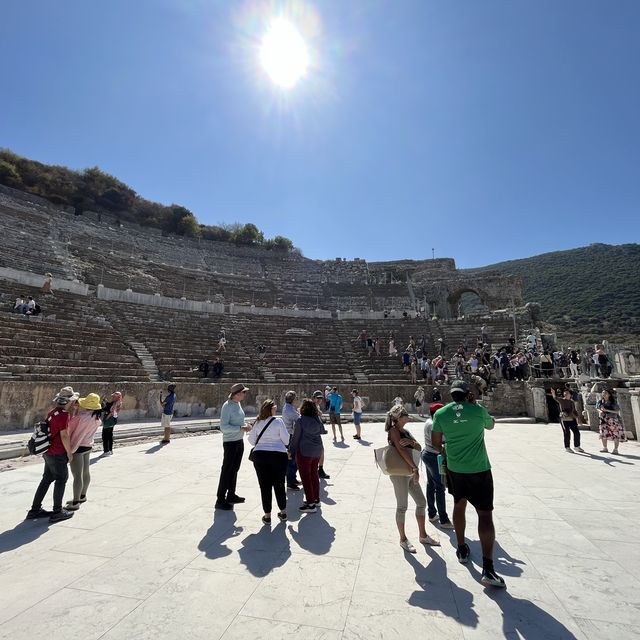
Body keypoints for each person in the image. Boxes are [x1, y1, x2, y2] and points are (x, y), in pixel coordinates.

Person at [431, 379, 506, 588]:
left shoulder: (441, 414)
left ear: (451, 394)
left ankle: (462, 548)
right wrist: (473, 405)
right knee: (485, 515)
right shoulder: (477, 410)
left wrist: (450, 451)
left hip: (456, 469)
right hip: (479, 469)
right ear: (467, 394)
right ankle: (488, 568)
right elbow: (490, 425)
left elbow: (437, 444)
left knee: (459, 505)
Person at [385, 404, 440, 552]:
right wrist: (415, 468)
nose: (408, 417)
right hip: (399, 474)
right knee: (402, 506)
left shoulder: (405, 431)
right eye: (406, 415)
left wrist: (411, 442)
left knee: (421, 502)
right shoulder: (393, 431)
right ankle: (403, 539)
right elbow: (401, 450)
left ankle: (423, 535)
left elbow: (418, 446)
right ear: (399, 417)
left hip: (409, 472)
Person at [26, 386, 78, 523]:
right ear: (68, 401)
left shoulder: (52, 412)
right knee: (61, 479)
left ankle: (35, 510)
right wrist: (69, 452)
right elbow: (65, 435)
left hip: (48, 451)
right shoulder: (64, 415)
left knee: (46, 479)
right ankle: (57, 511)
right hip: (58, 452)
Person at [248, 399, 290, 524]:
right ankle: (283, 513)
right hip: (278, 456)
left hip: (261, 456)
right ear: (270, 409)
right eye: (274, 407)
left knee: (264, 486)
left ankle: (267, 516)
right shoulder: (278, 422)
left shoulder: (258, 422)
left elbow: (251, 441)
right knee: (279, 485)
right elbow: (286, 440)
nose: (276, 409)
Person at [215, 383, 252, 510]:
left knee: (234, 469)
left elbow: (238, 420)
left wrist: (246, 425)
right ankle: (220, 499)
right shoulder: (227, 406)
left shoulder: (237, 404)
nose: (245, 394)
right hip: (230, 443)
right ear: (236, 394)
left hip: (238, 441)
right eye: (243, 392)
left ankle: (231, 494)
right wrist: (241, 428)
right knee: (226, 470)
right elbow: (223, 427)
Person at [66, 393, 102, 510]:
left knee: (77, 475)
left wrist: (74, 411)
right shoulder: (96, 418)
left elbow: (69, 427)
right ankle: (82, 495)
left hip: (78, 447)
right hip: (87, 446)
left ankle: (75, 501)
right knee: (85, 472)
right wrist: (77, 410)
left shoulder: (80, 417)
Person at [422, 402, 453, 529]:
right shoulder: (434, 424)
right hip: (435, 457)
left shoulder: (429, 421)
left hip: (427, 454)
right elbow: (442, 441)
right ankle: (444, 520)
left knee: (431, 484)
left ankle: (432, 513)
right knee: (440, 487)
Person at [290, 399, 325, 513]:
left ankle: (310, 504)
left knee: (306, 477)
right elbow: (322, 431)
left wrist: (291, 451)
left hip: (304, 451)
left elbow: (296, 437)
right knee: (314, 475)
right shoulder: (317, 419)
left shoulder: (300, 420)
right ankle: (316, 499)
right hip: (317, 450)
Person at [550, 388, 584, 453]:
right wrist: (553, 393)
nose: (565, 394)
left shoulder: (572, 402)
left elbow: (574, 411)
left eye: (567, 393)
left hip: (572, 419)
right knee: (567, 433)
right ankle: (567, 447)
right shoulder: (562, 400)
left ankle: (577, 446)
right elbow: (555, 398)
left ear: (570, 395)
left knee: (577, 433)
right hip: (564, 419)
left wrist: (578, 419)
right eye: (565, 393)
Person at [282, 390, 302, 490]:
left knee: (293, 459)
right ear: (293, 400)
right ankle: (290, 482)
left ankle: (292, 479)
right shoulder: (289, 409)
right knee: (291, 459)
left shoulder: (288, 407)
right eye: (296, 398)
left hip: (289, 435)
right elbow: (298, 419)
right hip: (289, 436)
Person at [596, 389, 626, 454]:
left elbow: (617, 411)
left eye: (605, 393)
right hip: (603, 420)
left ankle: (615, 449)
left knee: (615, 434)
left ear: (609, 394)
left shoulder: (613, 402)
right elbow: (597, 408)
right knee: (604, 433)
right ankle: (605, 448)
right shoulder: (600, 401)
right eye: (603, 393)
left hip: (612, 419)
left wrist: (606, 410)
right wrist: (600, 411)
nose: (603, 394)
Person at [312, 390, 330, 479]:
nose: (319, 400)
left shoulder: (316, 406)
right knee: (319, 451)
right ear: (314, 398)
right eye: (318, 398)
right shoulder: (312, 406)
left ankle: (320, 469)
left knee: (320, 451)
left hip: (316, 432)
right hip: (312, 434)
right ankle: (319, 470)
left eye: (321, 398)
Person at [101, 391, 122, 455]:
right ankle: (110, 450)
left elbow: (112, 411)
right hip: (112, 421)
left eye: (114, 396)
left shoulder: (116, 403)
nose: (112, 397)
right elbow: (110, 406)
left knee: (105, 436)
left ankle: (106, 451)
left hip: (109, 420)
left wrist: (106, 419)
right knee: (110, 435)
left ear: (117, 397)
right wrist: (106, 401)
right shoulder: (117, 402)